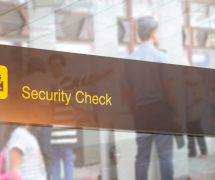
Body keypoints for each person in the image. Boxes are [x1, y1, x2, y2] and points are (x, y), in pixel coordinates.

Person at [126, 16, 178, 180]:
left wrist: (133, 111)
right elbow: (169, 88)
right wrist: (175, 110)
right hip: (161, 111)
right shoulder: (161, 56)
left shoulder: (130, 59)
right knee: (165, 156)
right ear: (153, 33)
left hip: (141, 112)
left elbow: (127, 91)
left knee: (142, 156)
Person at [46, 53, 112, 180]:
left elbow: (85, 79)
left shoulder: (68, 81)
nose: (56, 68)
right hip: (52, 128)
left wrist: (102, 74)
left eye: (58, 65)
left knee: (67, 158)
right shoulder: (48, 82)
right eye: (53, 66)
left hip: (66, 127)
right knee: (56, 160)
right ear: (50, 67)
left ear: (62, 66)